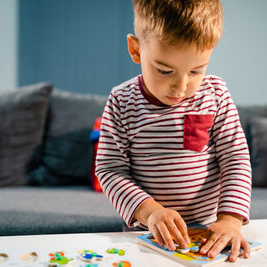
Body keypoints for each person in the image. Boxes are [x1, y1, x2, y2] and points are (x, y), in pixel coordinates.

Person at [95, 0, 252, 262]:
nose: (180, 87)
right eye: (165, 70)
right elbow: (110, 170)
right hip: (145, 235)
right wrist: (150, 212)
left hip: (210, 233)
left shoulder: (216, 94)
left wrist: (231, 220)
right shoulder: (121, 101)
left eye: (196, 70)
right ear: (136, 49)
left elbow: (236, 159)